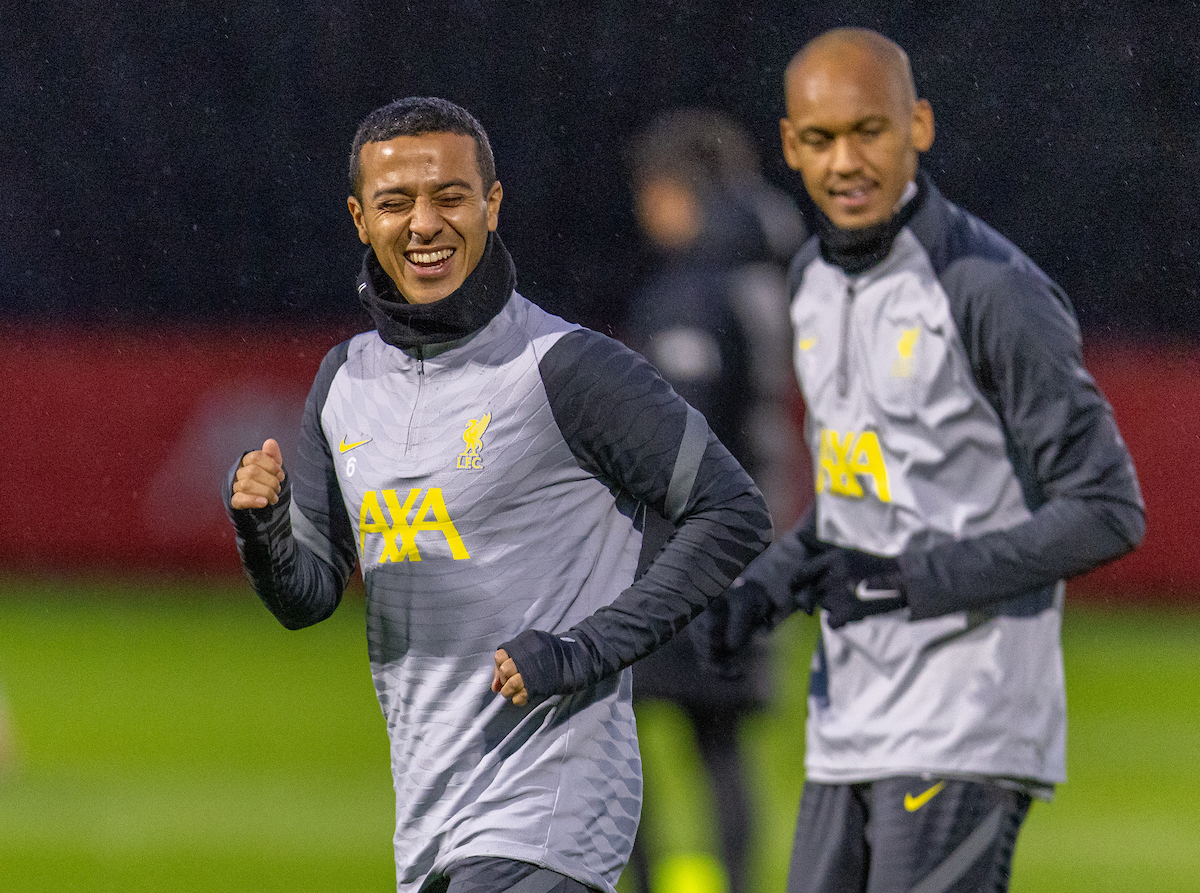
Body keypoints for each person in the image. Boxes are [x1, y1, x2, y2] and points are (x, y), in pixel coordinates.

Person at [223, 97, 771, 893]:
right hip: (431, 813)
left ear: (492, 203)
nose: (424, 223)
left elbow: (732, 509)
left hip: (550, 809)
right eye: (394, 202)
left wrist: (584, 649)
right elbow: (307, 595)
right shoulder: (346, 382)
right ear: (358, 217)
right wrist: (264, 529)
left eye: (449, 196)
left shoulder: (563, 366)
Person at [701, 28, 1145, 893]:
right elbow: (862, 494)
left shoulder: (988, 287)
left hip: (966, 716)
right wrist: (763, 589)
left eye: (870, 131)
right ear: (791, 146)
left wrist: (912, 579)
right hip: (849, 718)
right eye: (822, 139)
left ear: (921, 127)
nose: (846, 162)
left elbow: (1107, 505)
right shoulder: (812, 282)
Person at [619, 108, 804, 893]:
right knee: (723, 740)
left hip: (687, 550)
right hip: (756, 534)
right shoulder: (770, 279)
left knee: (602, 725)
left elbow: (679, 434)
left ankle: (648, 878)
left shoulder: (692, 292)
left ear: (672, 191)